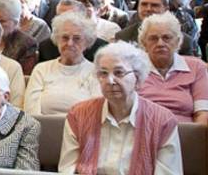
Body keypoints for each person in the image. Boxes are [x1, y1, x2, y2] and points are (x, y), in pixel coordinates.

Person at [59, 43, 182, 174]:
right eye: (103, 73)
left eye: (119, 73)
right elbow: (68, 169)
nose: (110, 81)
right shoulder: (78, 115)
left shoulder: (162, 121)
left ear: (137, 77)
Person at [137, 12, 208, 124]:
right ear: (144, 43)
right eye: (153, 38)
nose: (160, 43)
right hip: (144, 131)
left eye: (166, 38)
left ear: (178, 41)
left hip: (184, 134)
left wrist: (196, 135)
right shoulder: (134, 68)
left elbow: (203, 112)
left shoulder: (197, 67)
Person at [24, 12, 101, 115]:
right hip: (44, 129)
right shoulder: (41, 69)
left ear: (87, 42)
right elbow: (31, 110)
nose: (69, 43)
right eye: (65, 37)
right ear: (57, 39)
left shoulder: (96, 72)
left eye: (76, 38)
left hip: (81, 130)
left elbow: (96, 112)